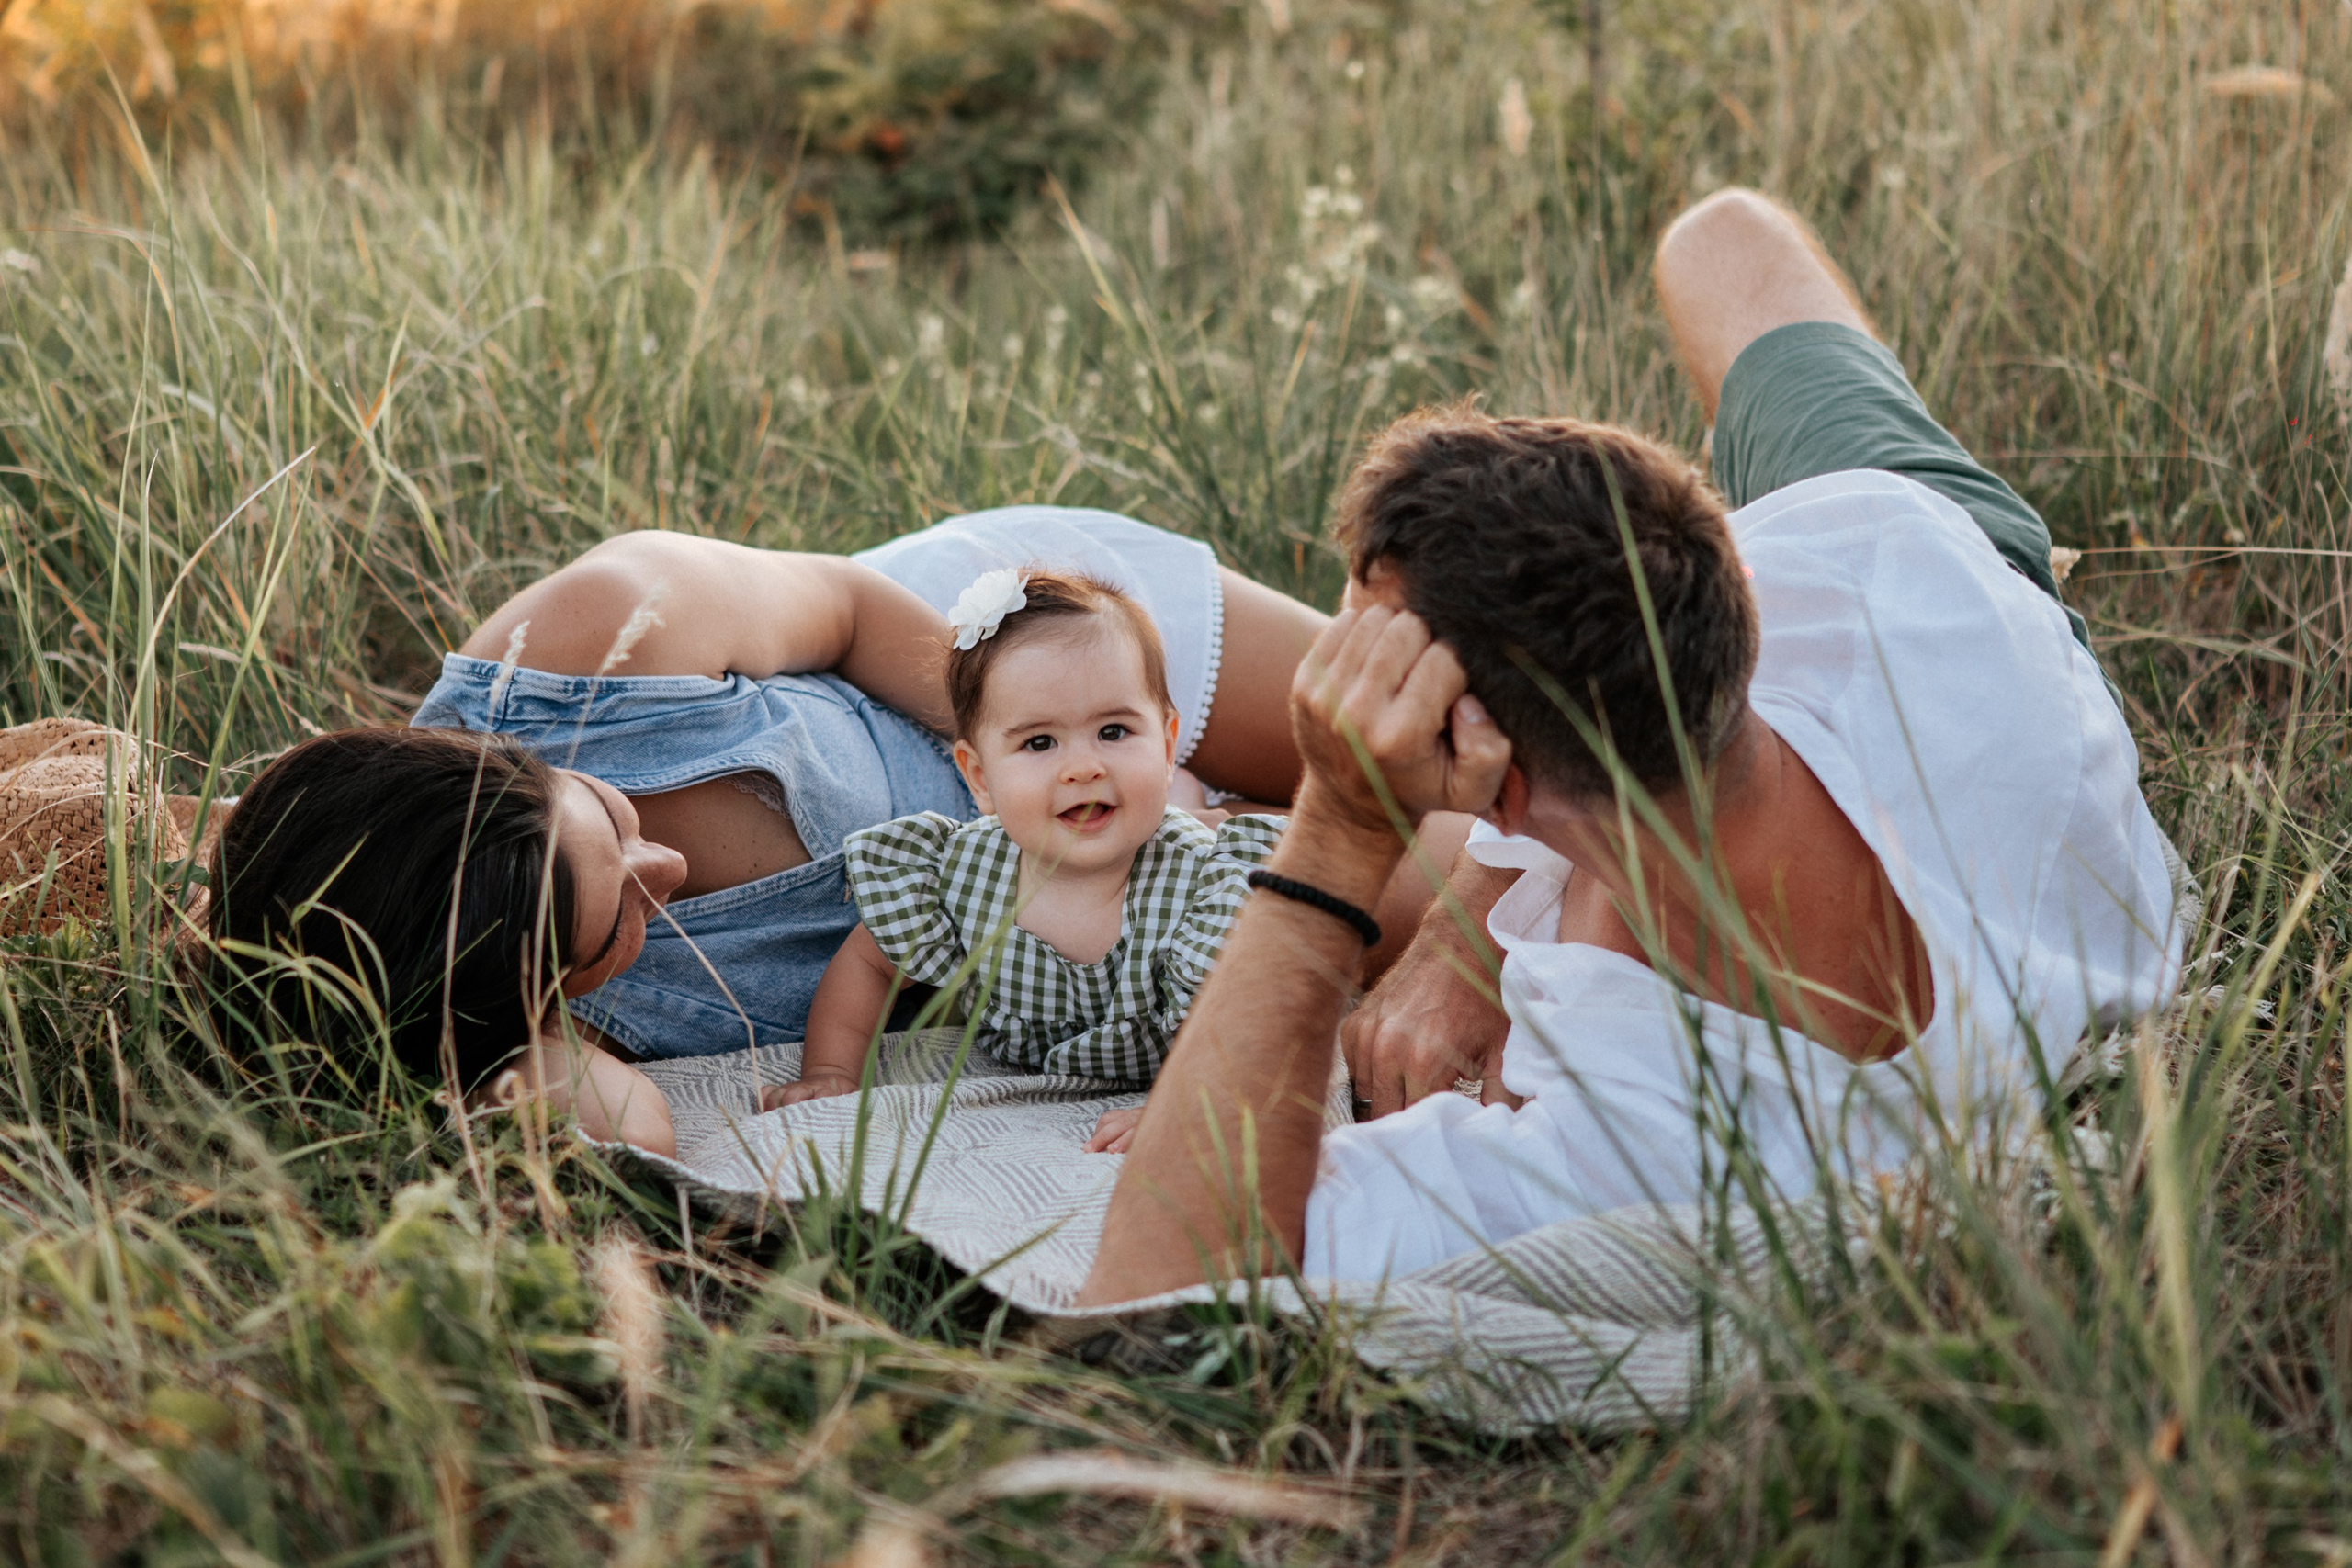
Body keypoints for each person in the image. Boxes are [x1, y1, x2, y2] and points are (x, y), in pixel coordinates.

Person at [1077, 188, 2186, 1304]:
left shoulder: (1644, 1126)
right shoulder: (1879, 570)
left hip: (1921, 679)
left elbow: (1156, 1270)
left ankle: (1241, 824)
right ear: (1727, 574)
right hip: (1987, 625)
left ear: (1489, 776)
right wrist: (1465, 940)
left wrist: (1338, 825)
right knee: (1722, 241)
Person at [208, 507, 1461, 1156]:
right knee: (1481, 881)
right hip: (1108, 905)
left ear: (505, 753)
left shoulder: (600, 633)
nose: (667, 870)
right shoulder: (521, 997)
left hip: (1036, 659)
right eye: (611, 925)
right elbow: (617, 1122)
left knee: (1487, 750)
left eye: (608, 824)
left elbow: (857, 609)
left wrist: (1050, 767)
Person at [757, 570, 1283, 1156]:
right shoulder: (962, 874)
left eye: (1113, 731)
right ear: (980, 778)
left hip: (1182, 1016)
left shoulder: (1206, 887)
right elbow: (868, 964)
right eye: (1039, 743)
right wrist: (832, 1070)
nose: (1082, 767)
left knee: (1206, 834)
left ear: (1164, 744)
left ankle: (1198, 804)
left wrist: (1188, 1102)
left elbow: (1252, 1015)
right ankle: (1190, 798)